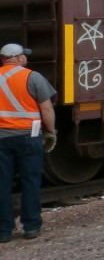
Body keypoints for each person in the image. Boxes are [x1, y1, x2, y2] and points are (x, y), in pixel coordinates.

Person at [0, 43, 57, 242]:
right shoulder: (33, 77)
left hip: (1, 139)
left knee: (2, 185)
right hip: (29, 137)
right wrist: (51, 132)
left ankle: (3, 231)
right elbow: (47, 109)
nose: (26, 58)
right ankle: (31, 227)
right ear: (18, 58)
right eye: (24, 55)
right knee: (30, 182)